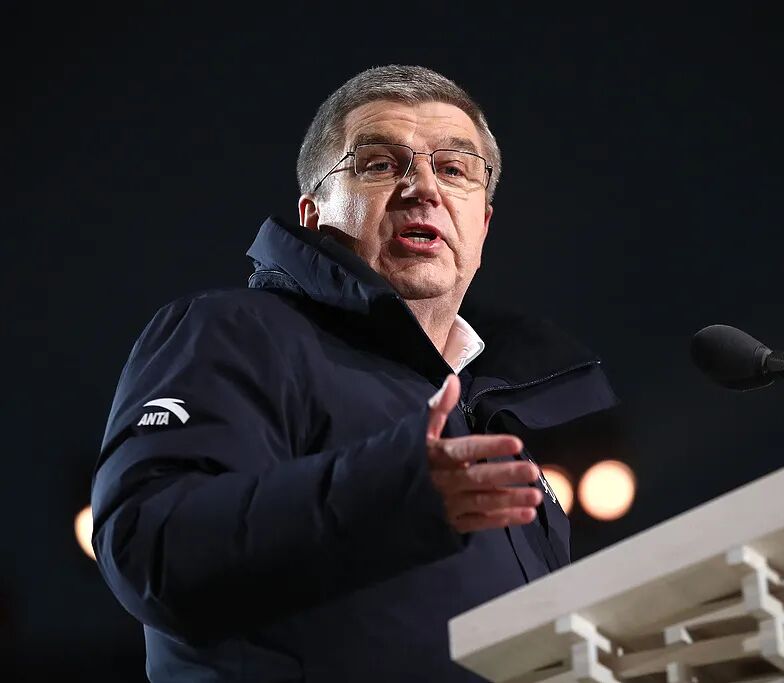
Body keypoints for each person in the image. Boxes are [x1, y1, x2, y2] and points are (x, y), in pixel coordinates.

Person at [91, 64, 618, 682]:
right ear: (313, 215)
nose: (424, 189)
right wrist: (393, 493)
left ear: (484, 224)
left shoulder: (492, 417)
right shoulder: (233, 331)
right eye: (380, 164)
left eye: (454, 169)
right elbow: (149, 546)